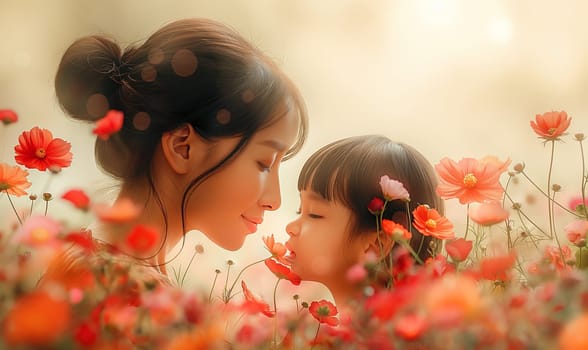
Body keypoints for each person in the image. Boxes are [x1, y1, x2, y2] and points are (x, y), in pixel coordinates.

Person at [44, 17, 308, 288]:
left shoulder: (85, 260)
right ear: (183, 147)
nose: (274, 200)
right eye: (264, 163)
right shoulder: (133, 295)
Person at [284, 135, 443, 308]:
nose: (290, 228)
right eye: (300, 210)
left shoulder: (375, 333)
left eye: (314, 214)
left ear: (376, 245)